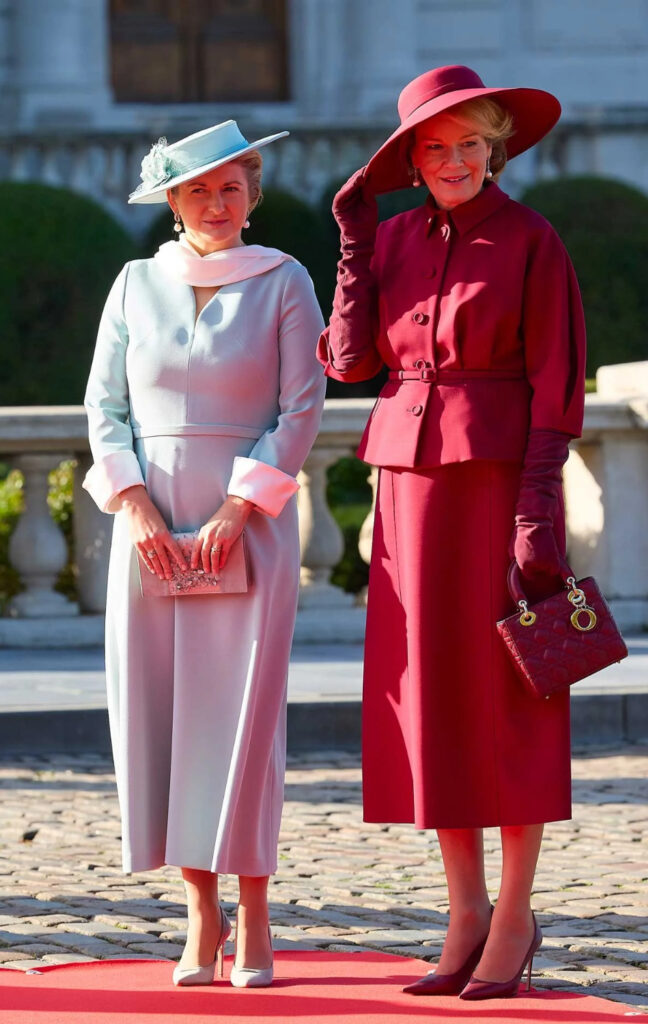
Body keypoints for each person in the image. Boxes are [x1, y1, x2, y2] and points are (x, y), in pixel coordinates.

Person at [318, 65, 586, 1000]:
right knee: (435, 698)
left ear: (494, 147)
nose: (454, 161)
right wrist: (353, 243)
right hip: (407, 489)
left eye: (470, 143)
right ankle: (463, 909)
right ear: (411, 159)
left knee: (511, 695)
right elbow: (348, 362)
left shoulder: (532, 239)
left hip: (497, 487)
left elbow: (557, 386)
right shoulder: (390, 238)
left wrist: (534, 514)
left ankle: (514, 913)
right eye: (434, 147)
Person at [83, 119, 326, 988]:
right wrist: (134, 506)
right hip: (148, 530)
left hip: (247, 526)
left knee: (242, 724)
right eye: (196, 191)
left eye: (230, 188)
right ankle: (199, 912)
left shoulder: (286, 280)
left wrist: (237, 507)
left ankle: (255, 911)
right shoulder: (133, 283)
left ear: (252, 196)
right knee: (160, 715)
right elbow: (103, 407)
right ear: (172, 201)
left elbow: (302, 407)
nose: (214, 204)